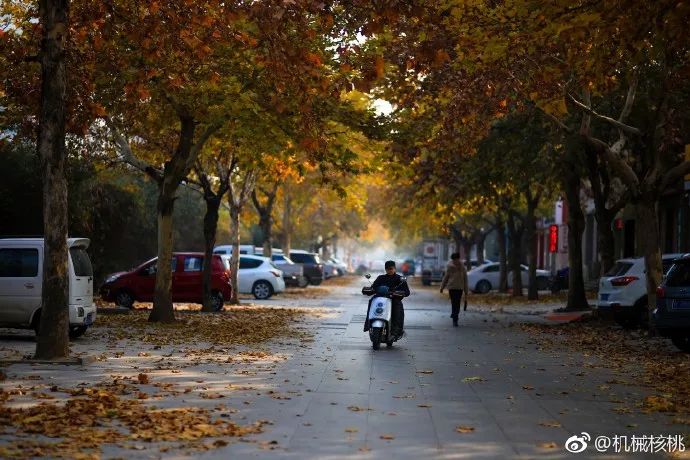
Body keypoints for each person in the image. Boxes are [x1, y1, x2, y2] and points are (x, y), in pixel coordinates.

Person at [365, 260, 410, 339]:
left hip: (393, 299)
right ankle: (368, 324)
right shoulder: (380, 278)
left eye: (391, 268)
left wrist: (398, 293)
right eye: (387, 269)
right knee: (371, 300)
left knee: (397, 305)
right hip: (380, 298)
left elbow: (407, 291)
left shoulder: (400, 279)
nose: (389, 270)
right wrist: (369, 290)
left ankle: (396, 331)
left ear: (395, 268)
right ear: (385, 269)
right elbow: (373, 287)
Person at [439, 253, 469, 327]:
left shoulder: (463, 268)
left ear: (458, 259)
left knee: (457, 302)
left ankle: (455, 316)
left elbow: (465, 279)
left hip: (460, 287)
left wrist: (466, 290)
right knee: (454, 302)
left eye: (456, 259)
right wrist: (442, 287)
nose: (455, 261)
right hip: (452, 287)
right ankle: (454, 316)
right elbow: (446, 277)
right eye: (454, 260)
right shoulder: (450, 267)